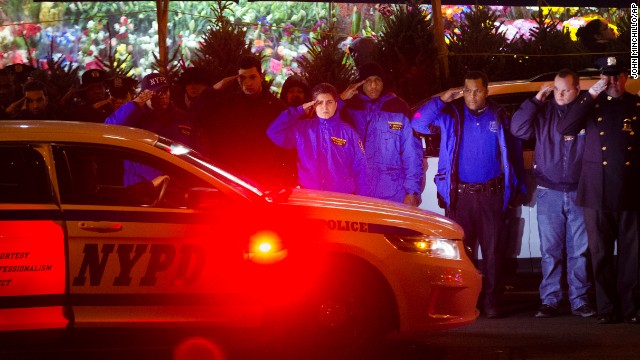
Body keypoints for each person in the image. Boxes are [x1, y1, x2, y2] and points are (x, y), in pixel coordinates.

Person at [412, 71, 525, 318]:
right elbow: (418, 122)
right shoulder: (451, 115)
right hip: (460, 197)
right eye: (467, 90)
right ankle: (465, 302)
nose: (472, 96)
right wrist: (442, 99)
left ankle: (492, 302)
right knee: (461, 254)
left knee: (494, 253)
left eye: (477, 91)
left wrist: (518, 188)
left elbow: (514, 152)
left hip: (491, 196)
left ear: (487, 91)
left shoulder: (499, 115)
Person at [556, 56, 640, 324]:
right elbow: (565, 127)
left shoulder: (636, 105)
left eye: (617, 76)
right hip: (597, 192)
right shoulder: (592, 105)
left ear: (626, 77)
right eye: (607, 76)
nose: (613, 81)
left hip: (630, 190)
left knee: (632, 254)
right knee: (601, 254)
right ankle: (606, 308)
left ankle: (631, 307)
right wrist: (591, 94)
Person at [511, 69, 595, 318]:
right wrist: (536, 100)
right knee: (550, 251)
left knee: (578, 251)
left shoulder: (586, 113)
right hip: (549, 192)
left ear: (577, 89)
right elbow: (518, 129)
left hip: (581, 192)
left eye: (566, 89)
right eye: (557, 89)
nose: (560, 94)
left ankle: (579, 300)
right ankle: (550, 299)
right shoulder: (543, 112)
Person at [199, 55, 296, 189]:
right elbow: (197, 116)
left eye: (252, 77)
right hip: (234, 180)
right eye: (242, 78)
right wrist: (214, 89)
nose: (247, 83)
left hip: (266, 180)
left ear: (261, 77)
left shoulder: (276, 108)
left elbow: (288, 147)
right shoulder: (229, 105)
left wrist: (281, 178)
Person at [340, 62, 423, 205]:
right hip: (359, 192)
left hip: (394, 192)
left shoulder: (398, 107)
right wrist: (340, 100)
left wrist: (412, 191)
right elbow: (325, 126)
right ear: (360, 84)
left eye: (377, 80)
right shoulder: (350, 108)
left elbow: (412, 153)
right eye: (368, 81)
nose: (373, 85)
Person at [267, 83, 369, 196]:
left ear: (336, 104)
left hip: (341, 198)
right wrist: (299, 110)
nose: (325, 107)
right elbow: (274, 132)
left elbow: (361, 170)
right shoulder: (302, 129)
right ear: (313, 105)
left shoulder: (349, 133)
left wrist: (363, 201)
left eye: (329, 102)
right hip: (309, 195)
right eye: (320, 103)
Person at [106, 72, 195, 185]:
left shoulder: (181, 117)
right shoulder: (134, 116)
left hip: (176, 185)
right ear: (146, 94)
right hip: (142, 188)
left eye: (165, 91)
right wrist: (136, 103)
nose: (163, 95)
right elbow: (109, 128)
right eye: (157, 92)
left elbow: (195, 152)